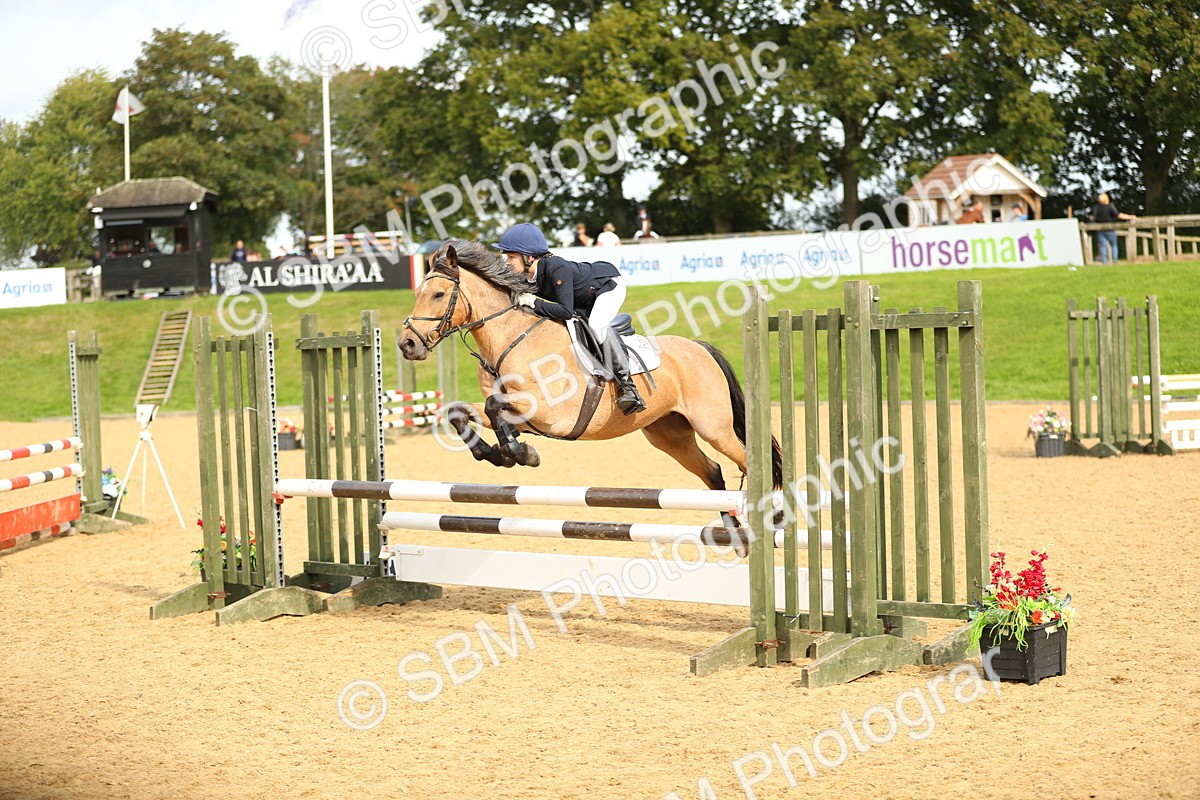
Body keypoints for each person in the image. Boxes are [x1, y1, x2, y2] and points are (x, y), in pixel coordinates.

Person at [494, 222, 645, 414]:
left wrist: (534, 302)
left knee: (597, 325)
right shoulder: (526, 276)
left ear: (529, 257)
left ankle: (629, 387)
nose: (507, 261)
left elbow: (565, 311)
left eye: (511, 256)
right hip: (583, 298)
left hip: (607, 286)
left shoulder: (555, 267)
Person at [1089, 192, 1137, 264]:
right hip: (1110, 229)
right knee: (1114, 245)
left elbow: (1092, 217)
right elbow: (1119, 215)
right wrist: (1131, 217)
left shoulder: (1096, 207)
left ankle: (1104, 261)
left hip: (1100, 229)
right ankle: (1114, 260)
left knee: (1102, 246)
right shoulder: (1110, 207)